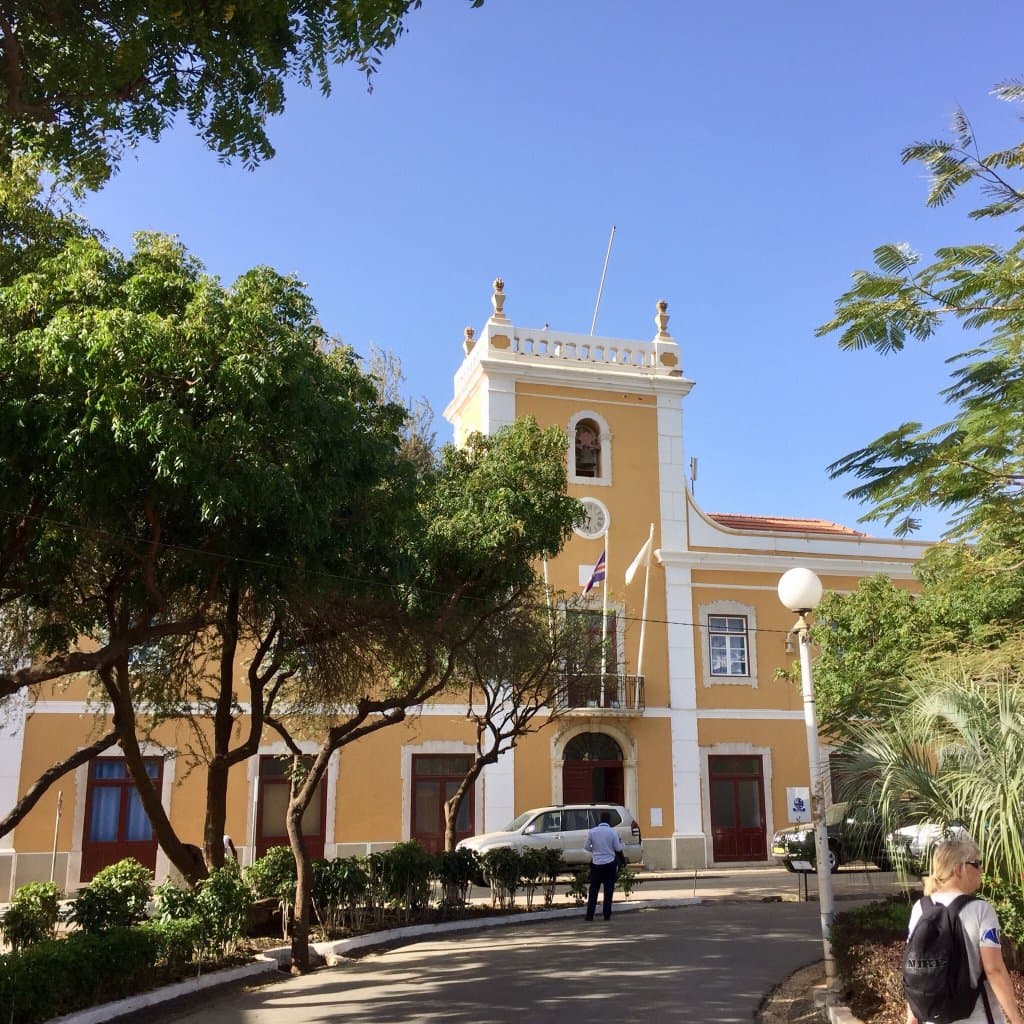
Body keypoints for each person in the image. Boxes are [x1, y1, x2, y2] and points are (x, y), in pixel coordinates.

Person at [906, 839, 1023, 1024]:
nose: (981, 870)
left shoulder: (920, 908)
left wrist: (912, 1018)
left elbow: (916, 966)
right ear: (958, 868)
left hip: (933, 1018)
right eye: (976, 863)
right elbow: (994, 970)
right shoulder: (981, 910)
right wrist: (1017, 1020)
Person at [584, 811, 623, 921]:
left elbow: (586, 846)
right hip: (610, 863)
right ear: (609, 821)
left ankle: (589, 915)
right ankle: (606, 914)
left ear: (600, 820)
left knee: (593, 890)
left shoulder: (592, 832)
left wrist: (595, 850)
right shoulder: (612, 832)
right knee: (608, 889)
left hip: (596, 863)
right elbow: (618, 849)